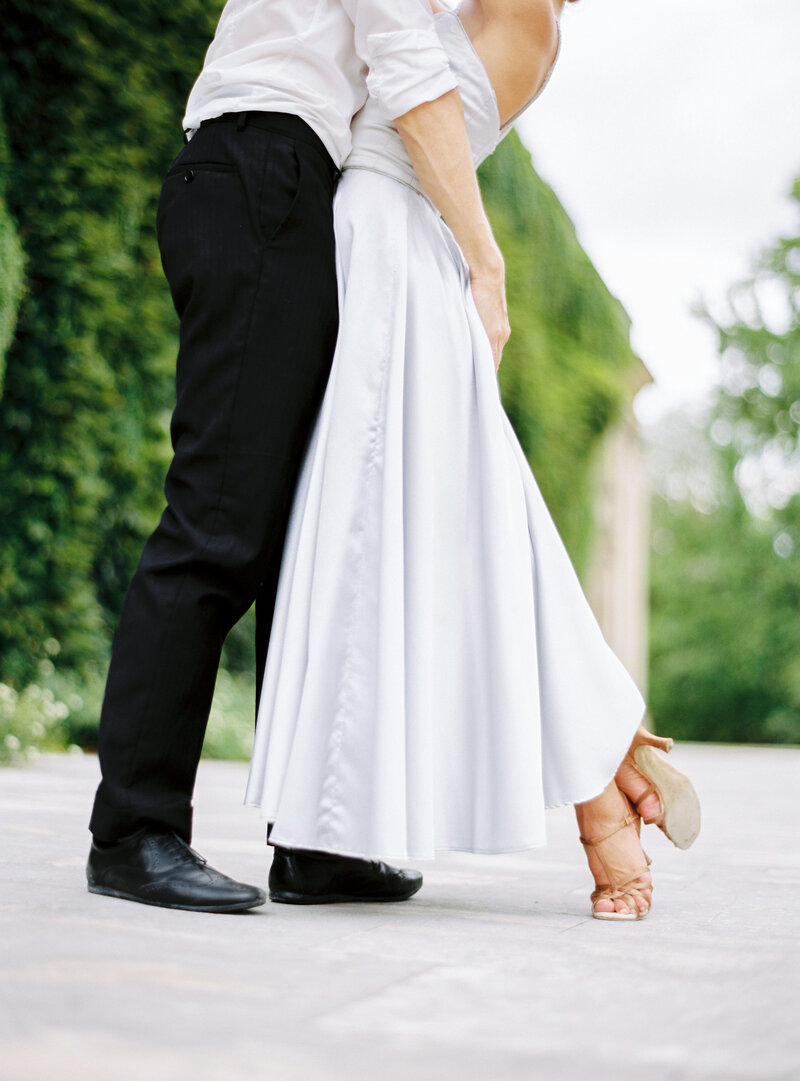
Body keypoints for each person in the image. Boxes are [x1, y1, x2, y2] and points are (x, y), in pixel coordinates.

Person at [245, 0, 702, 921]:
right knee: (475, 528)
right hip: (392, 246)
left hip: (394, 243)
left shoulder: (527, 17)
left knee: (390, 528)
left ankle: (591, 784)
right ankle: (606, 771)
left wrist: (484, 266)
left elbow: (415, 100)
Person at [86, 0, 512, 913]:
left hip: (280, 175)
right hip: (261, 164)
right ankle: (130, 831)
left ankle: (317, 843)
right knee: (218, 519)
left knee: (299, 532)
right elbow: (402, 58)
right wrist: (485, 261)